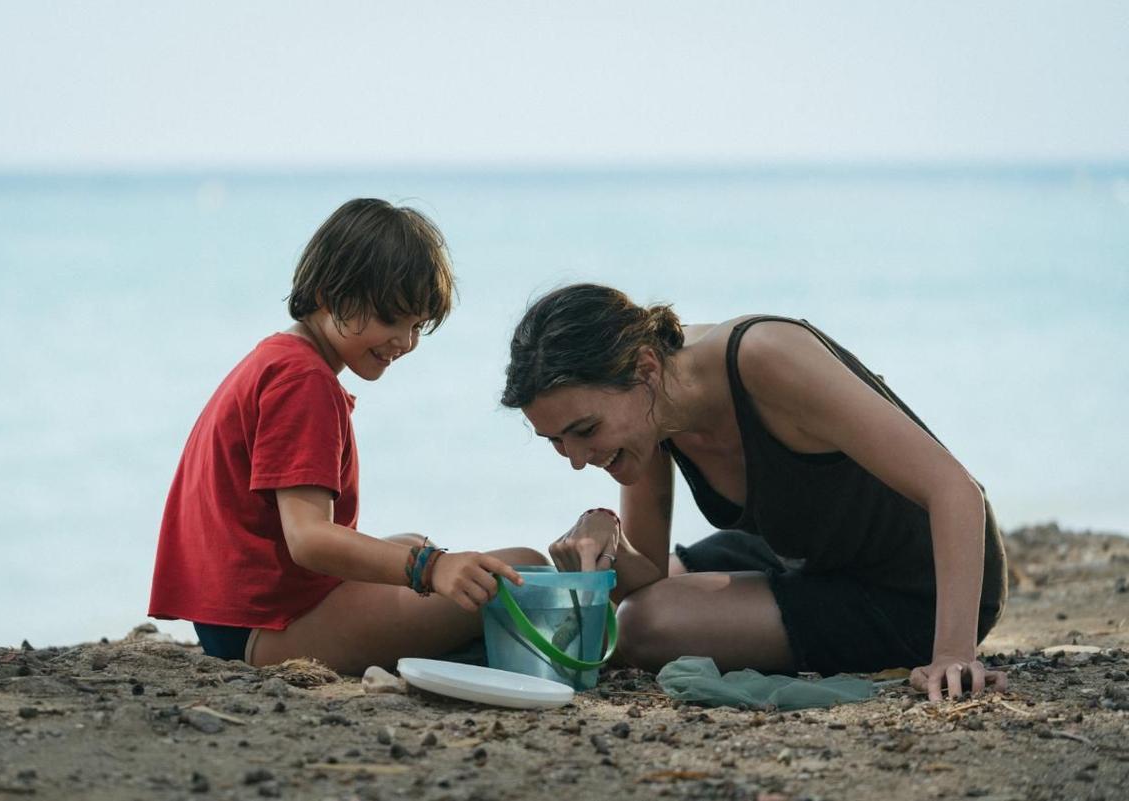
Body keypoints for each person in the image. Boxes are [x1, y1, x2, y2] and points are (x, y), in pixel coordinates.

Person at [501, 283, 1008, 701]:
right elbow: (646, 573)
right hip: (807, 556)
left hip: (922, 586)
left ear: (646, 368)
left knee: (641, 625)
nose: (576, 459)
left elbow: (955, 489)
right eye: (556, 441)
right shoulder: (653, 409)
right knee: (597, 596)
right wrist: (606, 532)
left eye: (586, 430)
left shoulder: (765, 357)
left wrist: (953, 654)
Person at [149, 199, 542, 673]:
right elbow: (309, 539)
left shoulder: (279, 359)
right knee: (528, 569)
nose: (405, 341)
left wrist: (423, 561)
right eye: (390, 318)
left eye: (416, 325)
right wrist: (430, 568)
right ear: (327, 293)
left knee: (414, 541)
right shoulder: (304, 382)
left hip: (235, 616)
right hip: (267, 627)